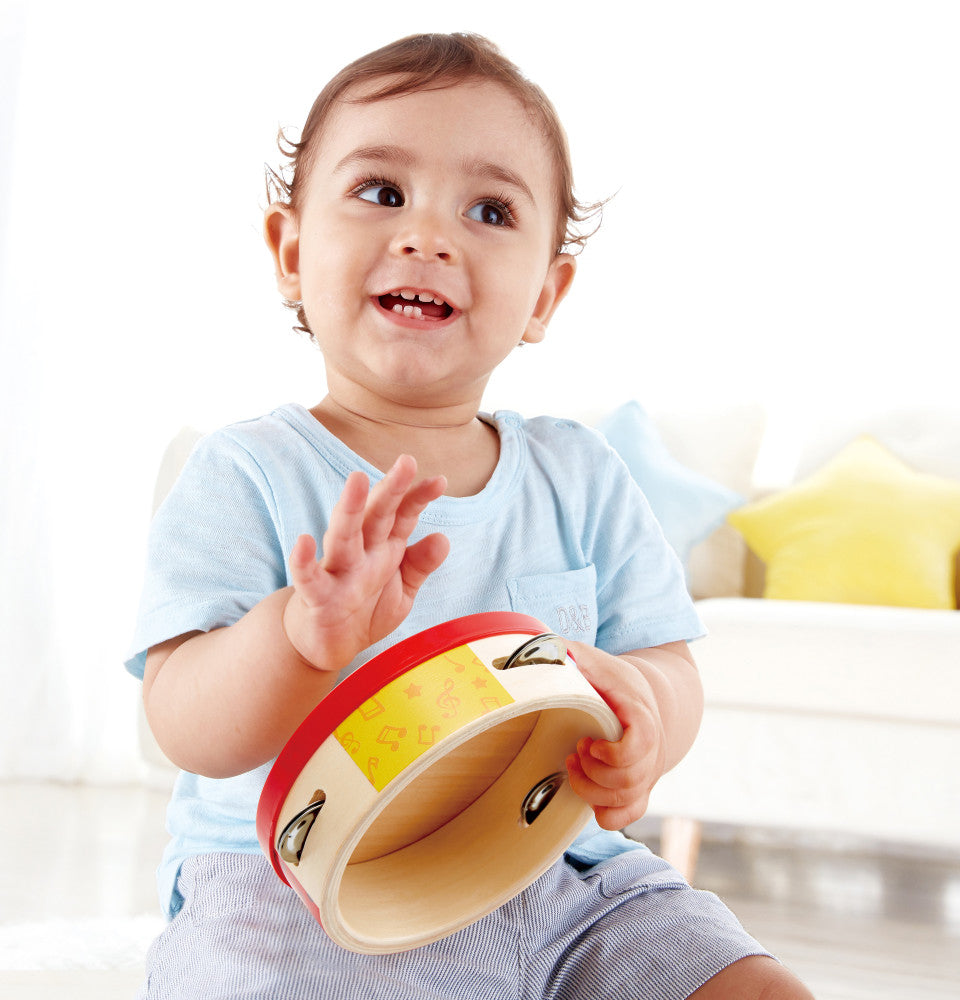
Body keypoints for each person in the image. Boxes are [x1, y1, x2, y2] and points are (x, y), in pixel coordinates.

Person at [127, 31, 813, 999]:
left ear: (545, 292)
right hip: (305, 890)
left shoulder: (581, 475)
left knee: (754, 986)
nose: (428, 237)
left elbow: (664, 655)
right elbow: (181, 718)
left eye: (488, 209)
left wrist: (647, 716)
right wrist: (297, 634)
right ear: (289, 250)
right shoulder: (247, 471)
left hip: (564, 874)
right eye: (381, 192)